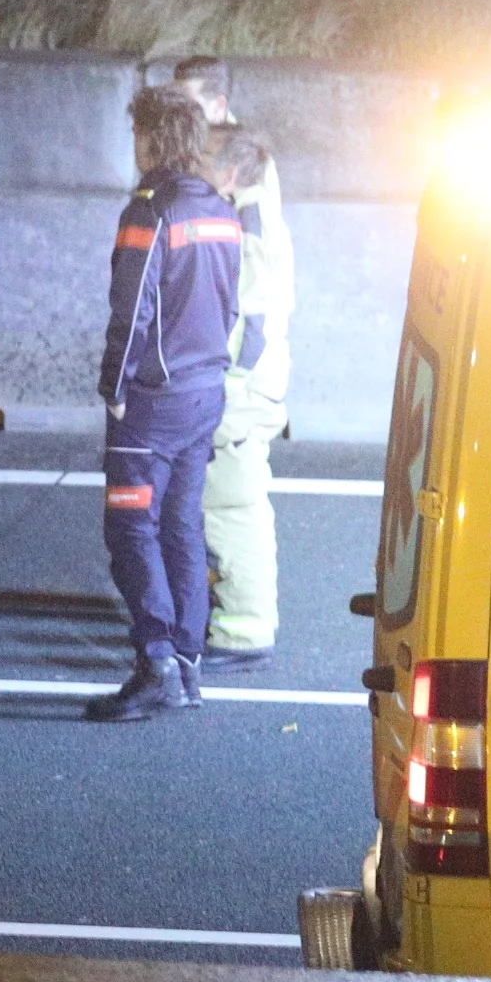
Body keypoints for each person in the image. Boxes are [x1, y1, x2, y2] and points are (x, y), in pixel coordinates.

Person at [86, 87, 245, 723]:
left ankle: (155, 666)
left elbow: (131, 310)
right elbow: (233, 305)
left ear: (152, 139)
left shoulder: (149, 212)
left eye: (137, 136)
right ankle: (187, 665)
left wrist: (114, 387)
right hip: (206, 393)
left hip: (152, 400)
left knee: (131, 528)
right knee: (182, 527)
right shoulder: (222, 210)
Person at [172, 55, 293, 672]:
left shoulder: (242, 190)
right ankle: (226, 614)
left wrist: (227, 383)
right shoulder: (246, 171)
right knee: (222, 500)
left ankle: (244, 631)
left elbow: (248, 302)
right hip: (248, 376)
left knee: (233, 505)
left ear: (218, 108)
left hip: (242, 382)